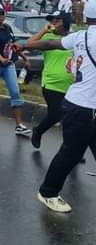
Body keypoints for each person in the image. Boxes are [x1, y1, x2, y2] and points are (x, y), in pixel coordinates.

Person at [15, 0, 96, 213]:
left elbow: (50, 43)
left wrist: (24, 44)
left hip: (79, 104)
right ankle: (48, 193)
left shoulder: (80, 36)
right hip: (82, 108)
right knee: (70, 153)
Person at [0, 3, 32, 135]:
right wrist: (1, 59)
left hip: (9, 65)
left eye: (2, 13)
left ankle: (19, 124)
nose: (1, 16)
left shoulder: (8, 28)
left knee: (15, 92)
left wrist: (24, 57)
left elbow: (13, 45)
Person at [26, 10, 73, 149]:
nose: (53, 23)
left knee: (70, 117)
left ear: (65, 23)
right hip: (51, 84)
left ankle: (70, 147)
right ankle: (38, 131)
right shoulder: (48, 38)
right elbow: (29, 43)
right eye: (51, 20)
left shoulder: (72, 39)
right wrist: (43, 31)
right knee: (56, 114)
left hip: (71, 85)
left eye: (57, 20)